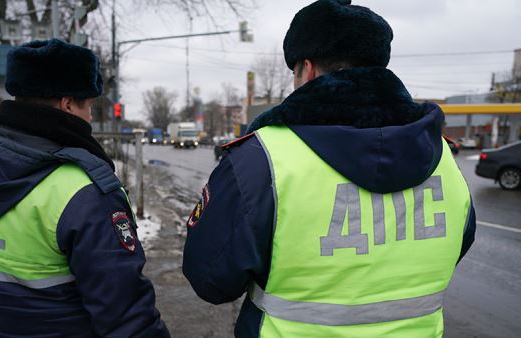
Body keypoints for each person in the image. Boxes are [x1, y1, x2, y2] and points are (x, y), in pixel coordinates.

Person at [182, 1, 476, 337]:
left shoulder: (261, 160)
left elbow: (210, 279)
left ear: (307, 70)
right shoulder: (444, 158)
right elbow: (454, 247)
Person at [0, 39, 169, 337]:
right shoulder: (83, 192)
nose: (90, 116)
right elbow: (127, 317)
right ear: (67, 105)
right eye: (89, 105)